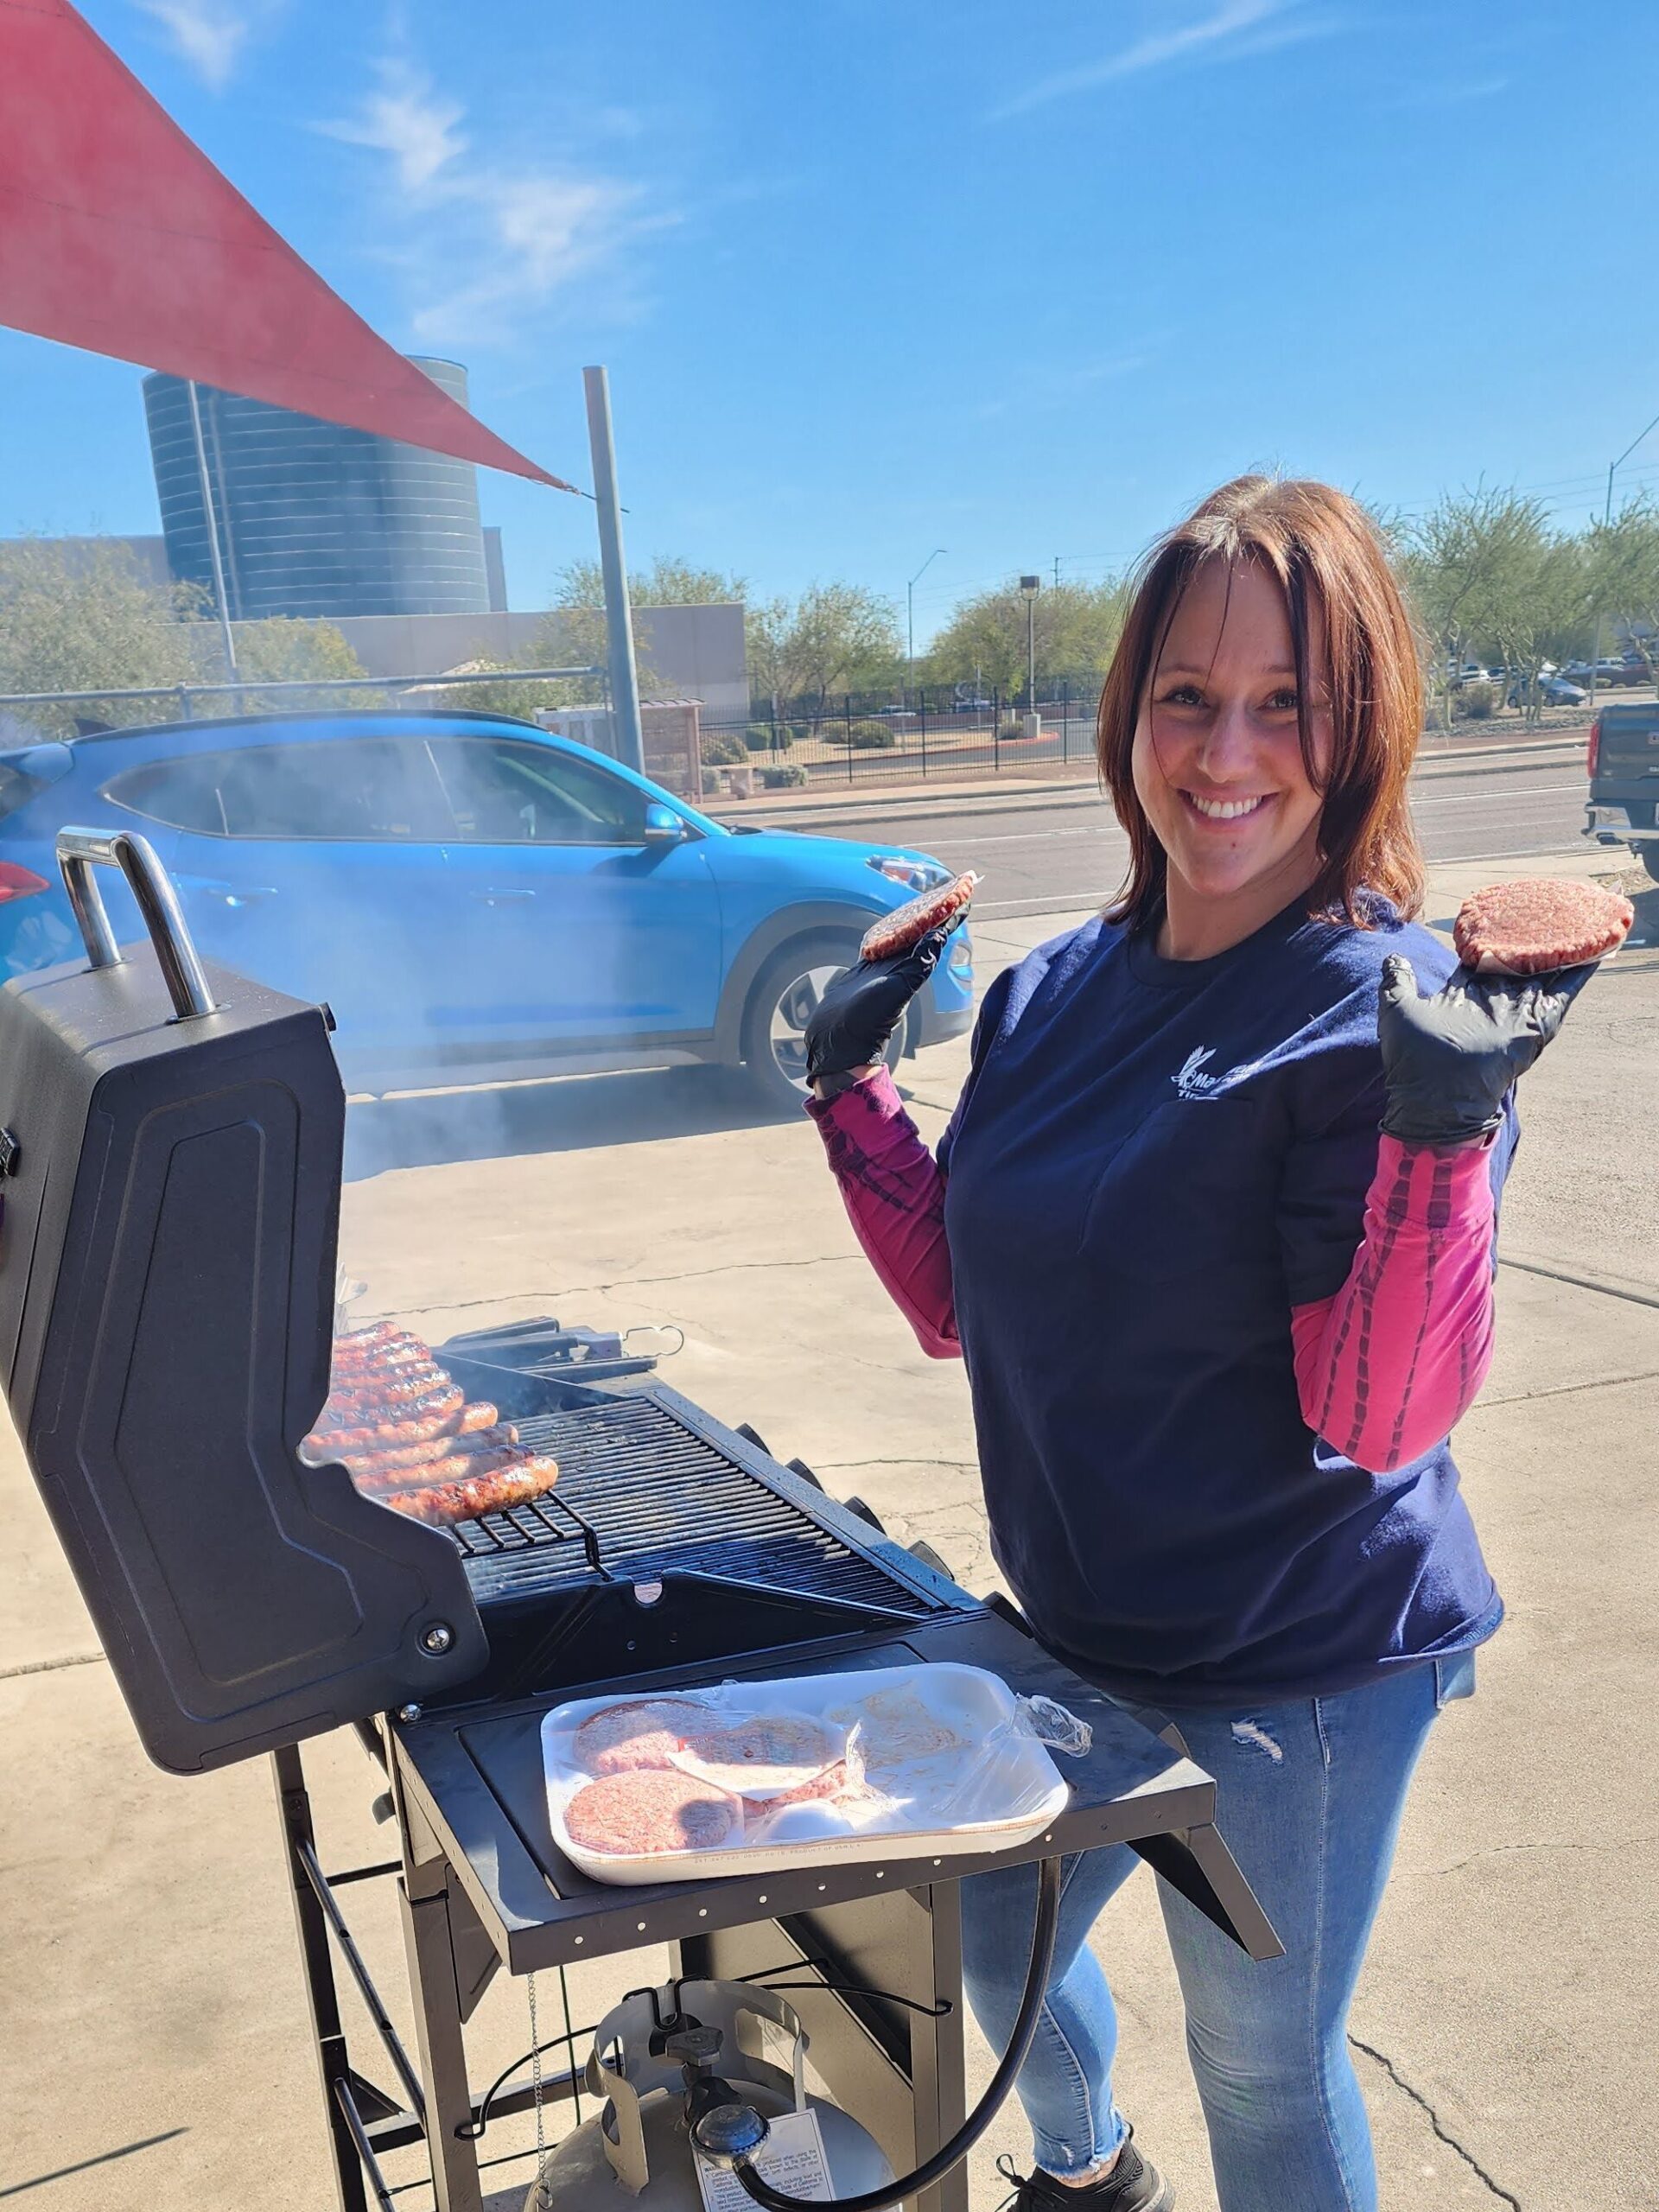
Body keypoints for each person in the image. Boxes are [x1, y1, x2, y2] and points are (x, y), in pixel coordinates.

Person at [800, 478, 1593, 2212]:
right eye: (1186, 694)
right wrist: (849, 1093)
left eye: (1286, 701)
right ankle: (1086, 2169)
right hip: (1076, 1622)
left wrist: (1440, 1140)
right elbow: (962, 1296)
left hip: (1299, 1654)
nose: (1226, 750)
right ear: (1129, 713)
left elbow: (1378, 1416)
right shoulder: (1049, 989)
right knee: (986, 1949)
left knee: (1263, 2058)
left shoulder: (1380, 1010)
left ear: (1357, 723)